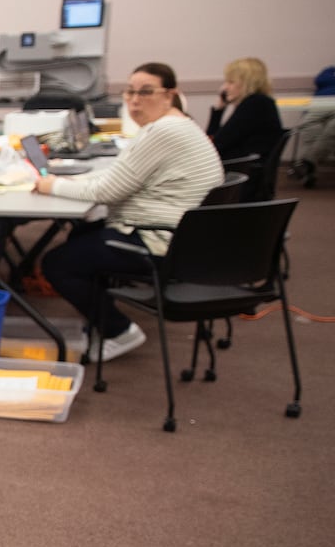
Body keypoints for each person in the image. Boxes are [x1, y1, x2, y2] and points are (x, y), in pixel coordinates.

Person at [35, 63, 223, 361]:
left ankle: (118, 330)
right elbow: (118, 180)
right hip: (183, 238)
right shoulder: (180, 125)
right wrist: (70, 182)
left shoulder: (162, 132)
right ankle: (99, 316)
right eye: (130, 92)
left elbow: (106, 192)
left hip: (160, 241)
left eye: (146, 92)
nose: (135, 100)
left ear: (170, 95)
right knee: (83, 231)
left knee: (58, 263)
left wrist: (51, 186)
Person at [207, 56, 283, 162]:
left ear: (246, 83)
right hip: (243, 166)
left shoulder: (254, 104)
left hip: (240, 169)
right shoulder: (260, 102)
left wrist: (218, 112)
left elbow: (214, 146)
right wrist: (219, 109)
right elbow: (214, 142)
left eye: (231, 82)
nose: (224, 87)